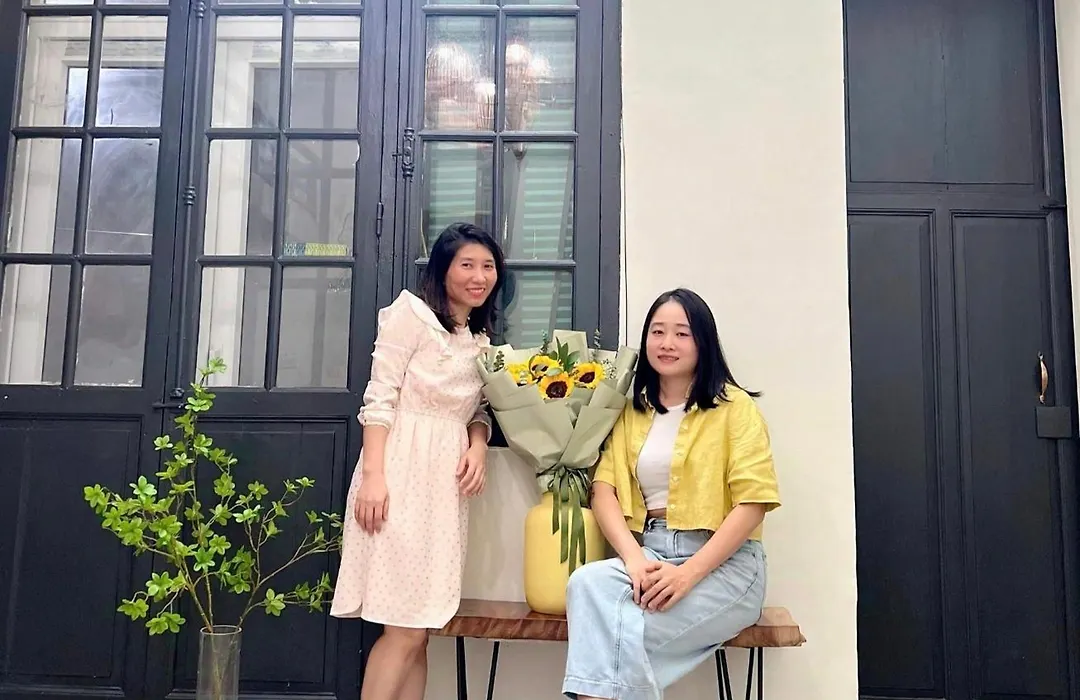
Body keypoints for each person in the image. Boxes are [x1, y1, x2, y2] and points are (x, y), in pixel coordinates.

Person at [561, 288, 781, 700]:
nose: (667, 343)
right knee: (586, 584)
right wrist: (633, 559)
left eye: (682, 333)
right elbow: (604, 489)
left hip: (724, 566)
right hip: (651, 556)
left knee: (616, 634)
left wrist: (688, 574)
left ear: (703, 341)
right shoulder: (633, 410)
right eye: (657, 332)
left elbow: (754, 502)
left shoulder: (735, 408)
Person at [331, 222, 506, 700]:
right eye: (467, 264)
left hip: (444, 491)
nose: (479, 276)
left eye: (488, 266)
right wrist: (374, 477)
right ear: (443, 269)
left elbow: (478, 412)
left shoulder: (479, 340)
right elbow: (379, 397)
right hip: (400, 474)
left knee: (420, 626)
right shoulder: (410, 314)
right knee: (404, 629)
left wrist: (477, 444)